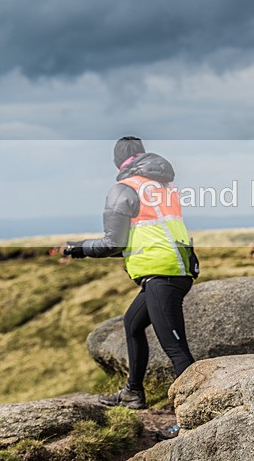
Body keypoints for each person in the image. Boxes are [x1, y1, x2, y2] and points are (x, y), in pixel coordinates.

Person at [64, 137, 198, 439]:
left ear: (117, 161)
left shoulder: (124, 189)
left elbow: (113, 243)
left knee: (177, 350)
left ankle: (192, 419)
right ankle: (133, 393)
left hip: (160, 273)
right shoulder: (163, 186)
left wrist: (77, 249)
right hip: (174, 269)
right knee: (133, 324)